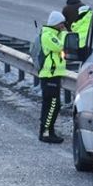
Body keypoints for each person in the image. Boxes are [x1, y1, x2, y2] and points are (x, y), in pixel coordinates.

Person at [37, 10, 70, 143]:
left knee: (52, 105)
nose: (63, 26)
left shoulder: (54, 34)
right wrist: (65, 33)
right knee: (52, 106)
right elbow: (61, 46)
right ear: (56, 23)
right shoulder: (48, 35)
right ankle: (45, 133)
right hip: (49, 76)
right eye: (61, 23)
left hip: (54, 75)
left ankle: (48, 132)